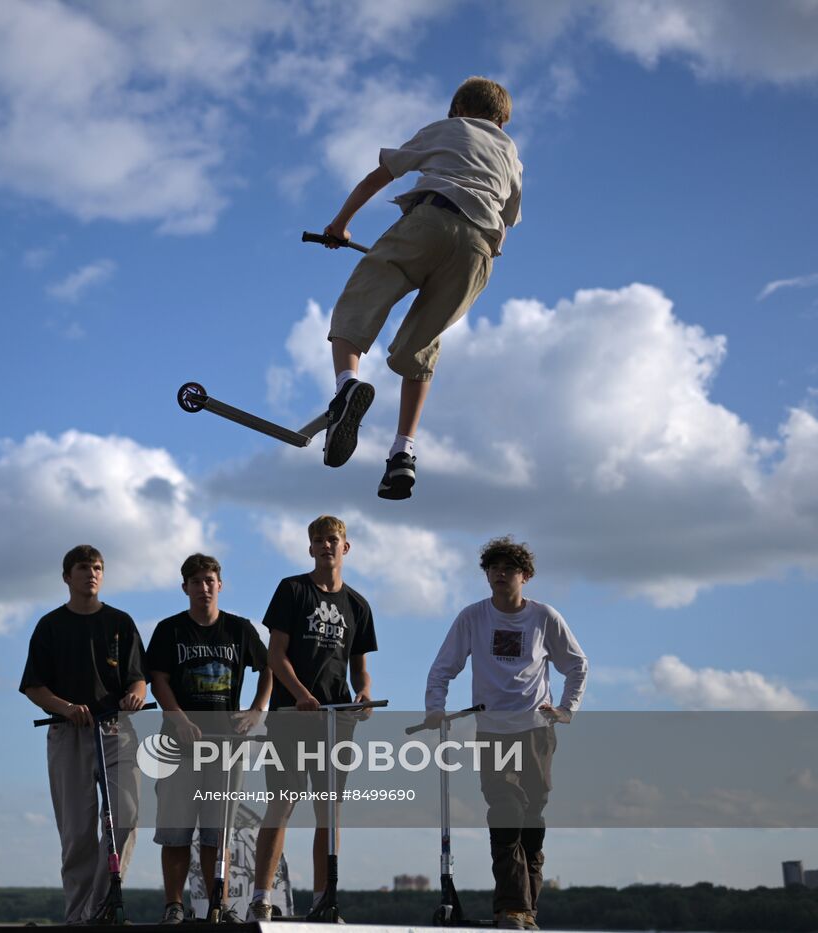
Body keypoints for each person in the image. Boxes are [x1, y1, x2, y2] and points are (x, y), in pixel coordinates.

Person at [318, 76, 523, 501]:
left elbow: (380, 177)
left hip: (431, 220)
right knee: (422, 348)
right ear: (502, 123)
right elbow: (507, 220)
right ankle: (403, 453)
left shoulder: (448, 128)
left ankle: (346, 387)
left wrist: (340, 223)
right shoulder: (511, 155)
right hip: (478, 251)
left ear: (458, 109)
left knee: (360, 299)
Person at [424, 537, 587, 930]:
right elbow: (443, 667)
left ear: (525, 576)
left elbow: (577, 665)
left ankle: (526, 910)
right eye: (493, 568)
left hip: (536, 733)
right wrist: (435, 708)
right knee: (506, 813)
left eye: (508, 568)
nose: (499, 573)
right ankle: (511, 909)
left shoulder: (544, 617)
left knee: (532, 819)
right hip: (493, 732)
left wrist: (566, 709)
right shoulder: (473, 617)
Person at [248, 516, 378, 922]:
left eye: (333, 540)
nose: (326, 546)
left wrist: (365, 694)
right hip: (291, 714)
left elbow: (360, 667)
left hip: (336, 719)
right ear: (310, 548)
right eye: (319, 540)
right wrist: (301, 694)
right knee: (282, 801)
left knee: (330, 809)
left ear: (346, 548)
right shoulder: (292, 590)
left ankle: (324, 898)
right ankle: (261, 897)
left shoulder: (358, 604)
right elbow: (275, 655)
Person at [20, 545, 148, 924]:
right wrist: (66, 708)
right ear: (66, 577)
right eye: (82, 567)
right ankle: (79, 916)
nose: (91, 573)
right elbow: (33, 686)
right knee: (77, 833)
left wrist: (136, 697)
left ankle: (104, 906)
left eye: (97, 567)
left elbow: (138, 678)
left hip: (116, 730)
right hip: (68, 732)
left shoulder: (121, 622)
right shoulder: (50, 626)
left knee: (126, 816)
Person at [147, 554, 272, 924]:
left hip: (226, 747)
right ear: (185, 587)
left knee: (218, 834)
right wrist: (178, 717)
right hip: (179, 746)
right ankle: (174, 906)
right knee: (176, 833)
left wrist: (256, 710)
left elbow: (269, 668)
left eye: (210, 580)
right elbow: (158, 679)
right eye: (197, 581)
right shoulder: (170, 630)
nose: (204, 587)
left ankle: (217, 905)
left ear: (221, 585)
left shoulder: (239, 629)